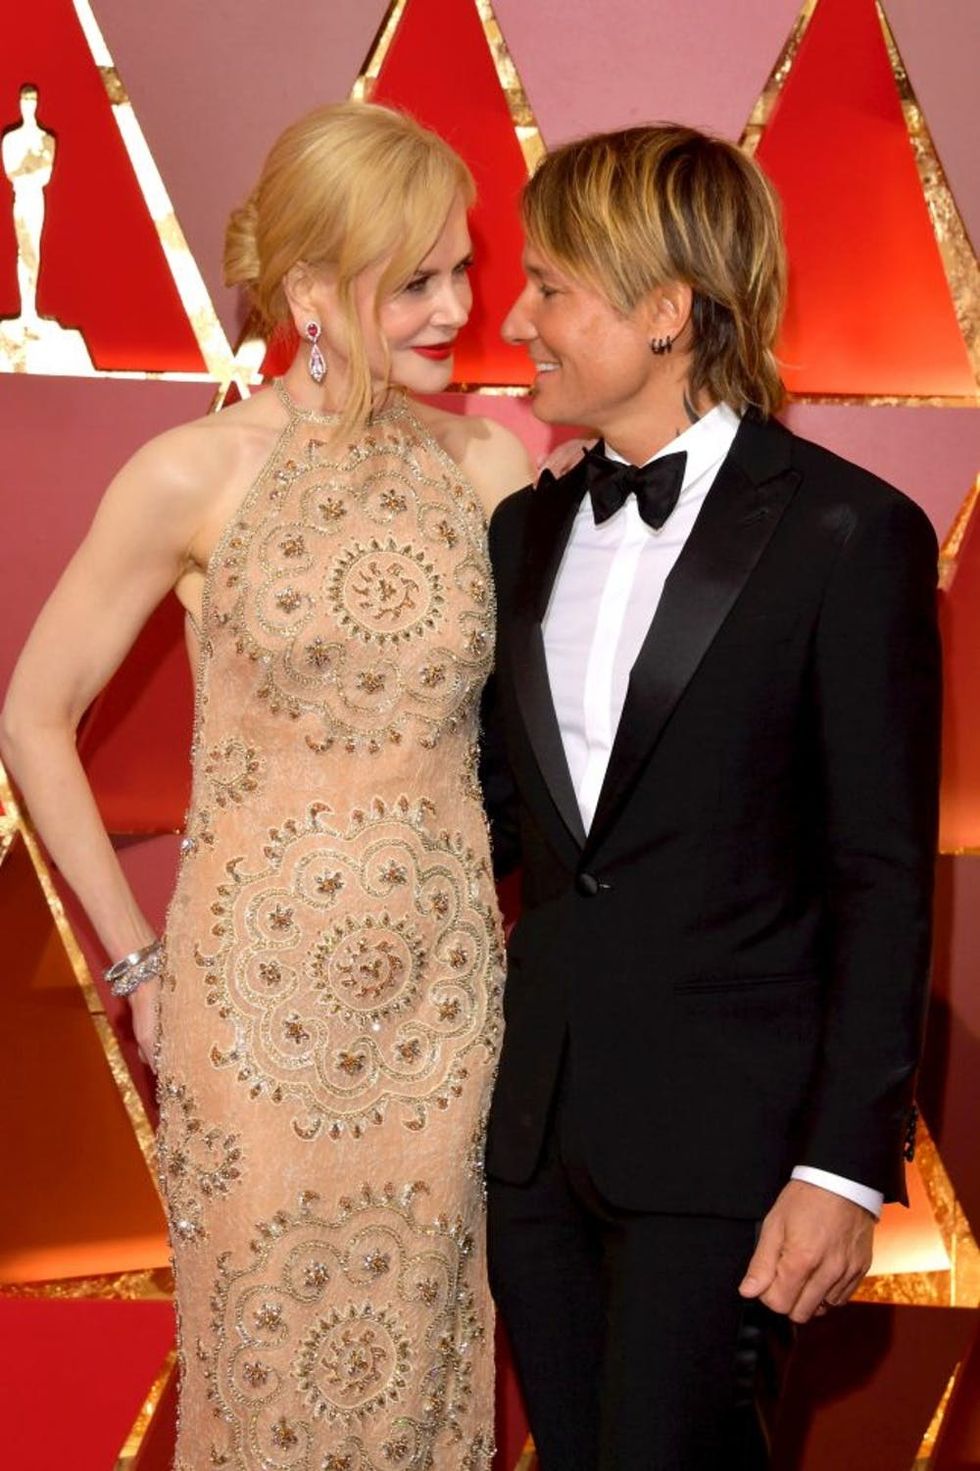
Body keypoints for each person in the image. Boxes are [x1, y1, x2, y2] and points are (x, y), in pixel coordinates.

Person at [1, 101, 533, 1469]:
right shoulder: (190, 472)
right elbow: (33, 716)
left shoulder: (495, 469)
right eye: (412, 281)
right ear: (307, 291)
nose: (455, 308)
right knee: (265, 1379)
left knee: (424, 1377)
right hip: (251, 1018)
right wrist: (139, 970)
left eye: (463, 270)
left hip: (444, 1017)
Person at [480, 123, 941, 1470]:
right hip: (536, 1145)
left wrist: (842, 1168)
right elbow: (508, 816)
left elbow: (883, 872)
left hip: (733, 1157)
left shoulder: (848, 534)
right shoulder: (525, 529)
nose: (518, 318)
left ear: (668, 310)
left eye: (552, 285)